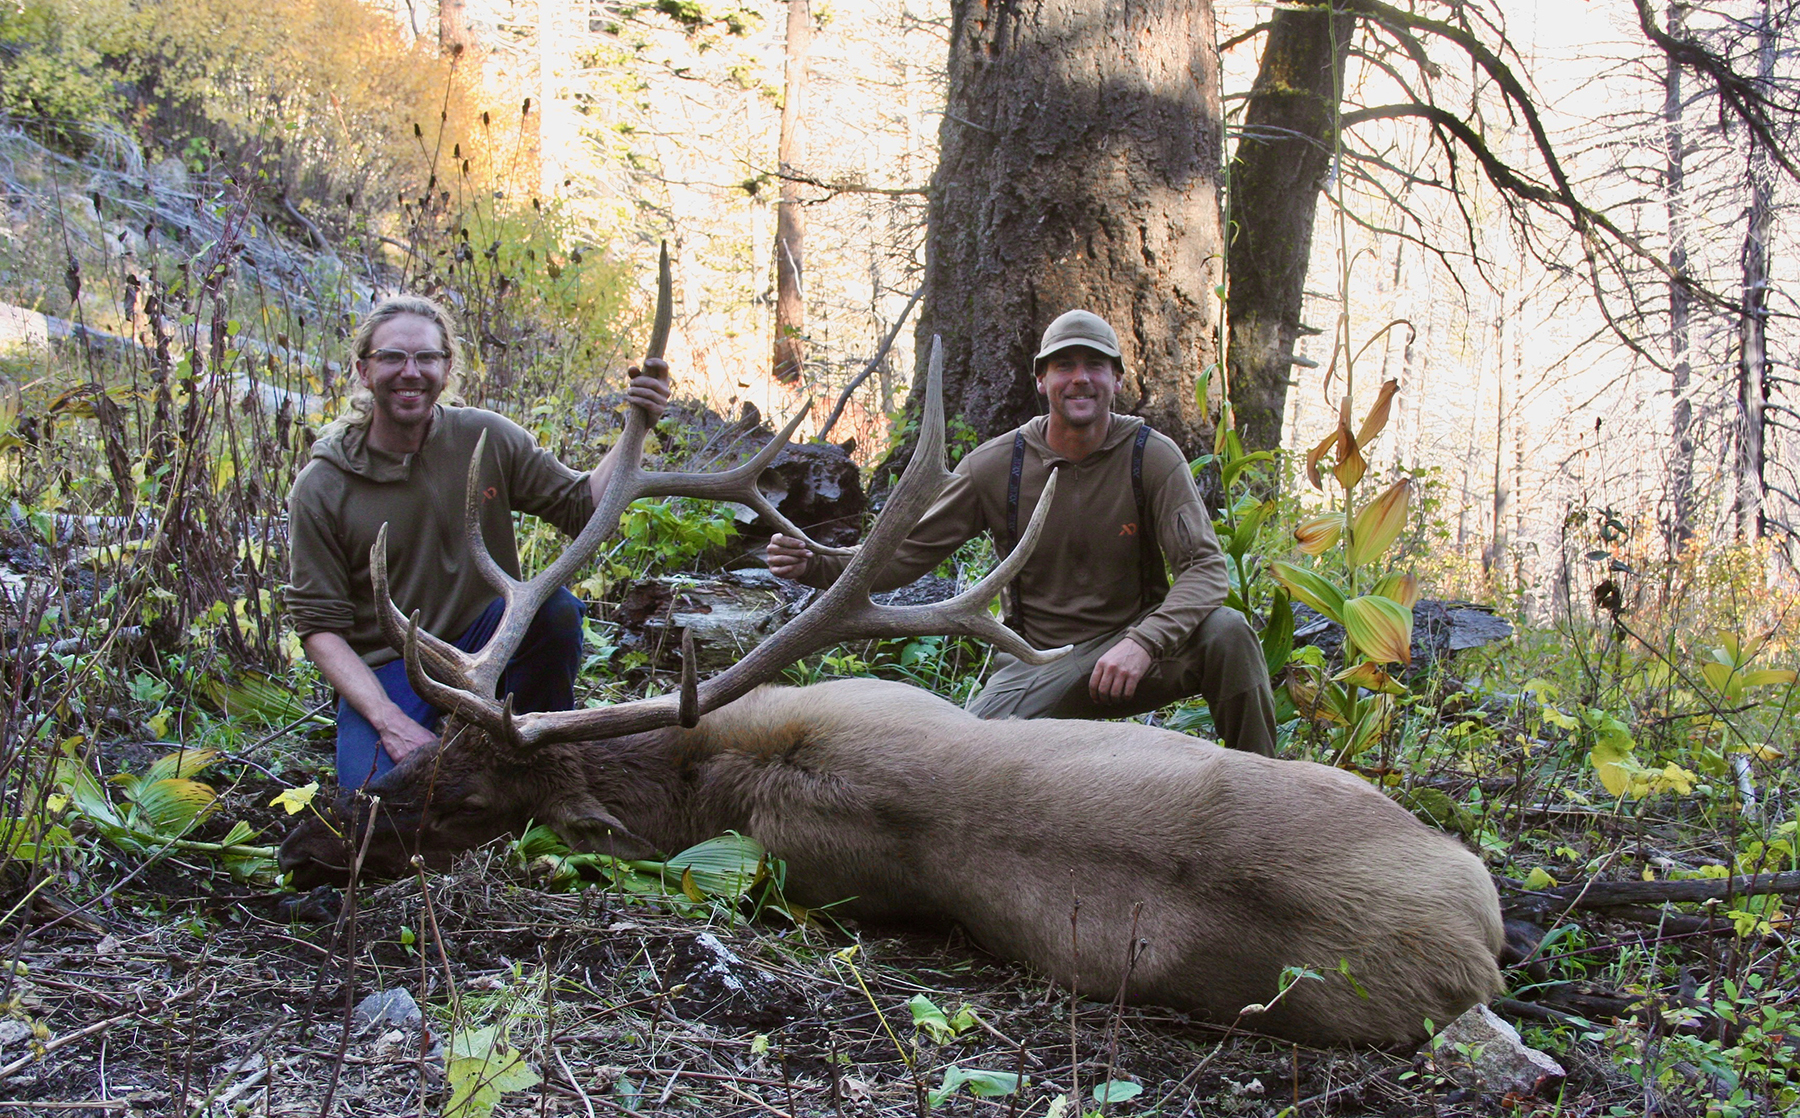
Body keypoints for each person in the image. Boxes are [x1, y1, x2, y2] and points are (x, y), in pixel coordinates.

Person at [766, 310, 1277, 756]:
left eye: (1095, 365)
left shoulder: (1152, 456)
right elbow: (902, 557)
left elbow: (1206, 570)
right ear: (1041, 380)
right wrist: (815, 563)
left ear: (1117, 380)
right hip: (1039, 664)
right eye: (1064, 366)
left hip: (1138, 656)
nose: (1081, 379)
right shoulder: (994, 466)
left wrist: (1144, 642)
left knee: (1228, 632)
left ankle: (1266, 799)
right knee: (964, 759)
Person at [286, 295, 672, 789]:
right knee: (373, 799)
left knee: (551, 613)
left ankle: (538, 757)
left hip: (487, 641)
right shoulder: (322, 486)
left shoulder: (485, 437)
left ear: (446, 370)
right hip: (393, 671)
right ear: (364, 370)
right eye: (392, 358)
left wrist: (636, 425)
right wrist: (387, 720)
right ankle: (426, 735)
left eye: (426, 357)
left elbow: (580, 506)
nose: (411, 371)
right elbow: (319, 629)